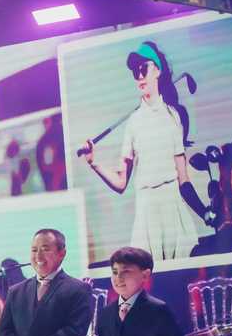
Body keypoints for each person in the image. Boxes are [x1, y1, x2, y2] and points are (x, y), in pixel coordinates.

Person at [82, 41, 213, 261]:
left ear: (158, 70)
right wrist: (93, 162)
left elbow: (184, 181)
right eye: (135, 72)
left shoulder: (174, 117)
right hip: (147, 214)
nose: (139, 76)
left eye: (144, 68)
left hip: (173, 210)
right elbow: (121, 183)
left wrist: (205, 213)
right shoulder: (133, 123)